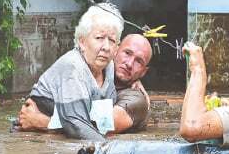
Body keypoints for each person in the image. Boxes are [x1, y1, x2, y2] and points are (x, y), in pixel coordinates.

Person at [20, 2, 123, 141]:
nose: (106, 47)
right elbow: (76, 125)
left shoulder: (109, 67)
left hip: (54, 130)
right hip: (33, 138)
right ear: (82, 42)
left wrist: (136, 82)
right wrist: (110, 152)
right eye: (99, 38)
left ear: (117, 47)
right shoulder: (73, 65)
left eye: (112, 40)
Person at [19, 33, 153, 135]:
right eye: (127, 53)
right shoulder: (94, 72)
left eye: (138, 61)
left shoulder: (136, 100)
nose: (129, 63)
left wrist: (41, 122)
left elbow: (100, 128)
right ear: (115, 50)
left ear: (143, 72)